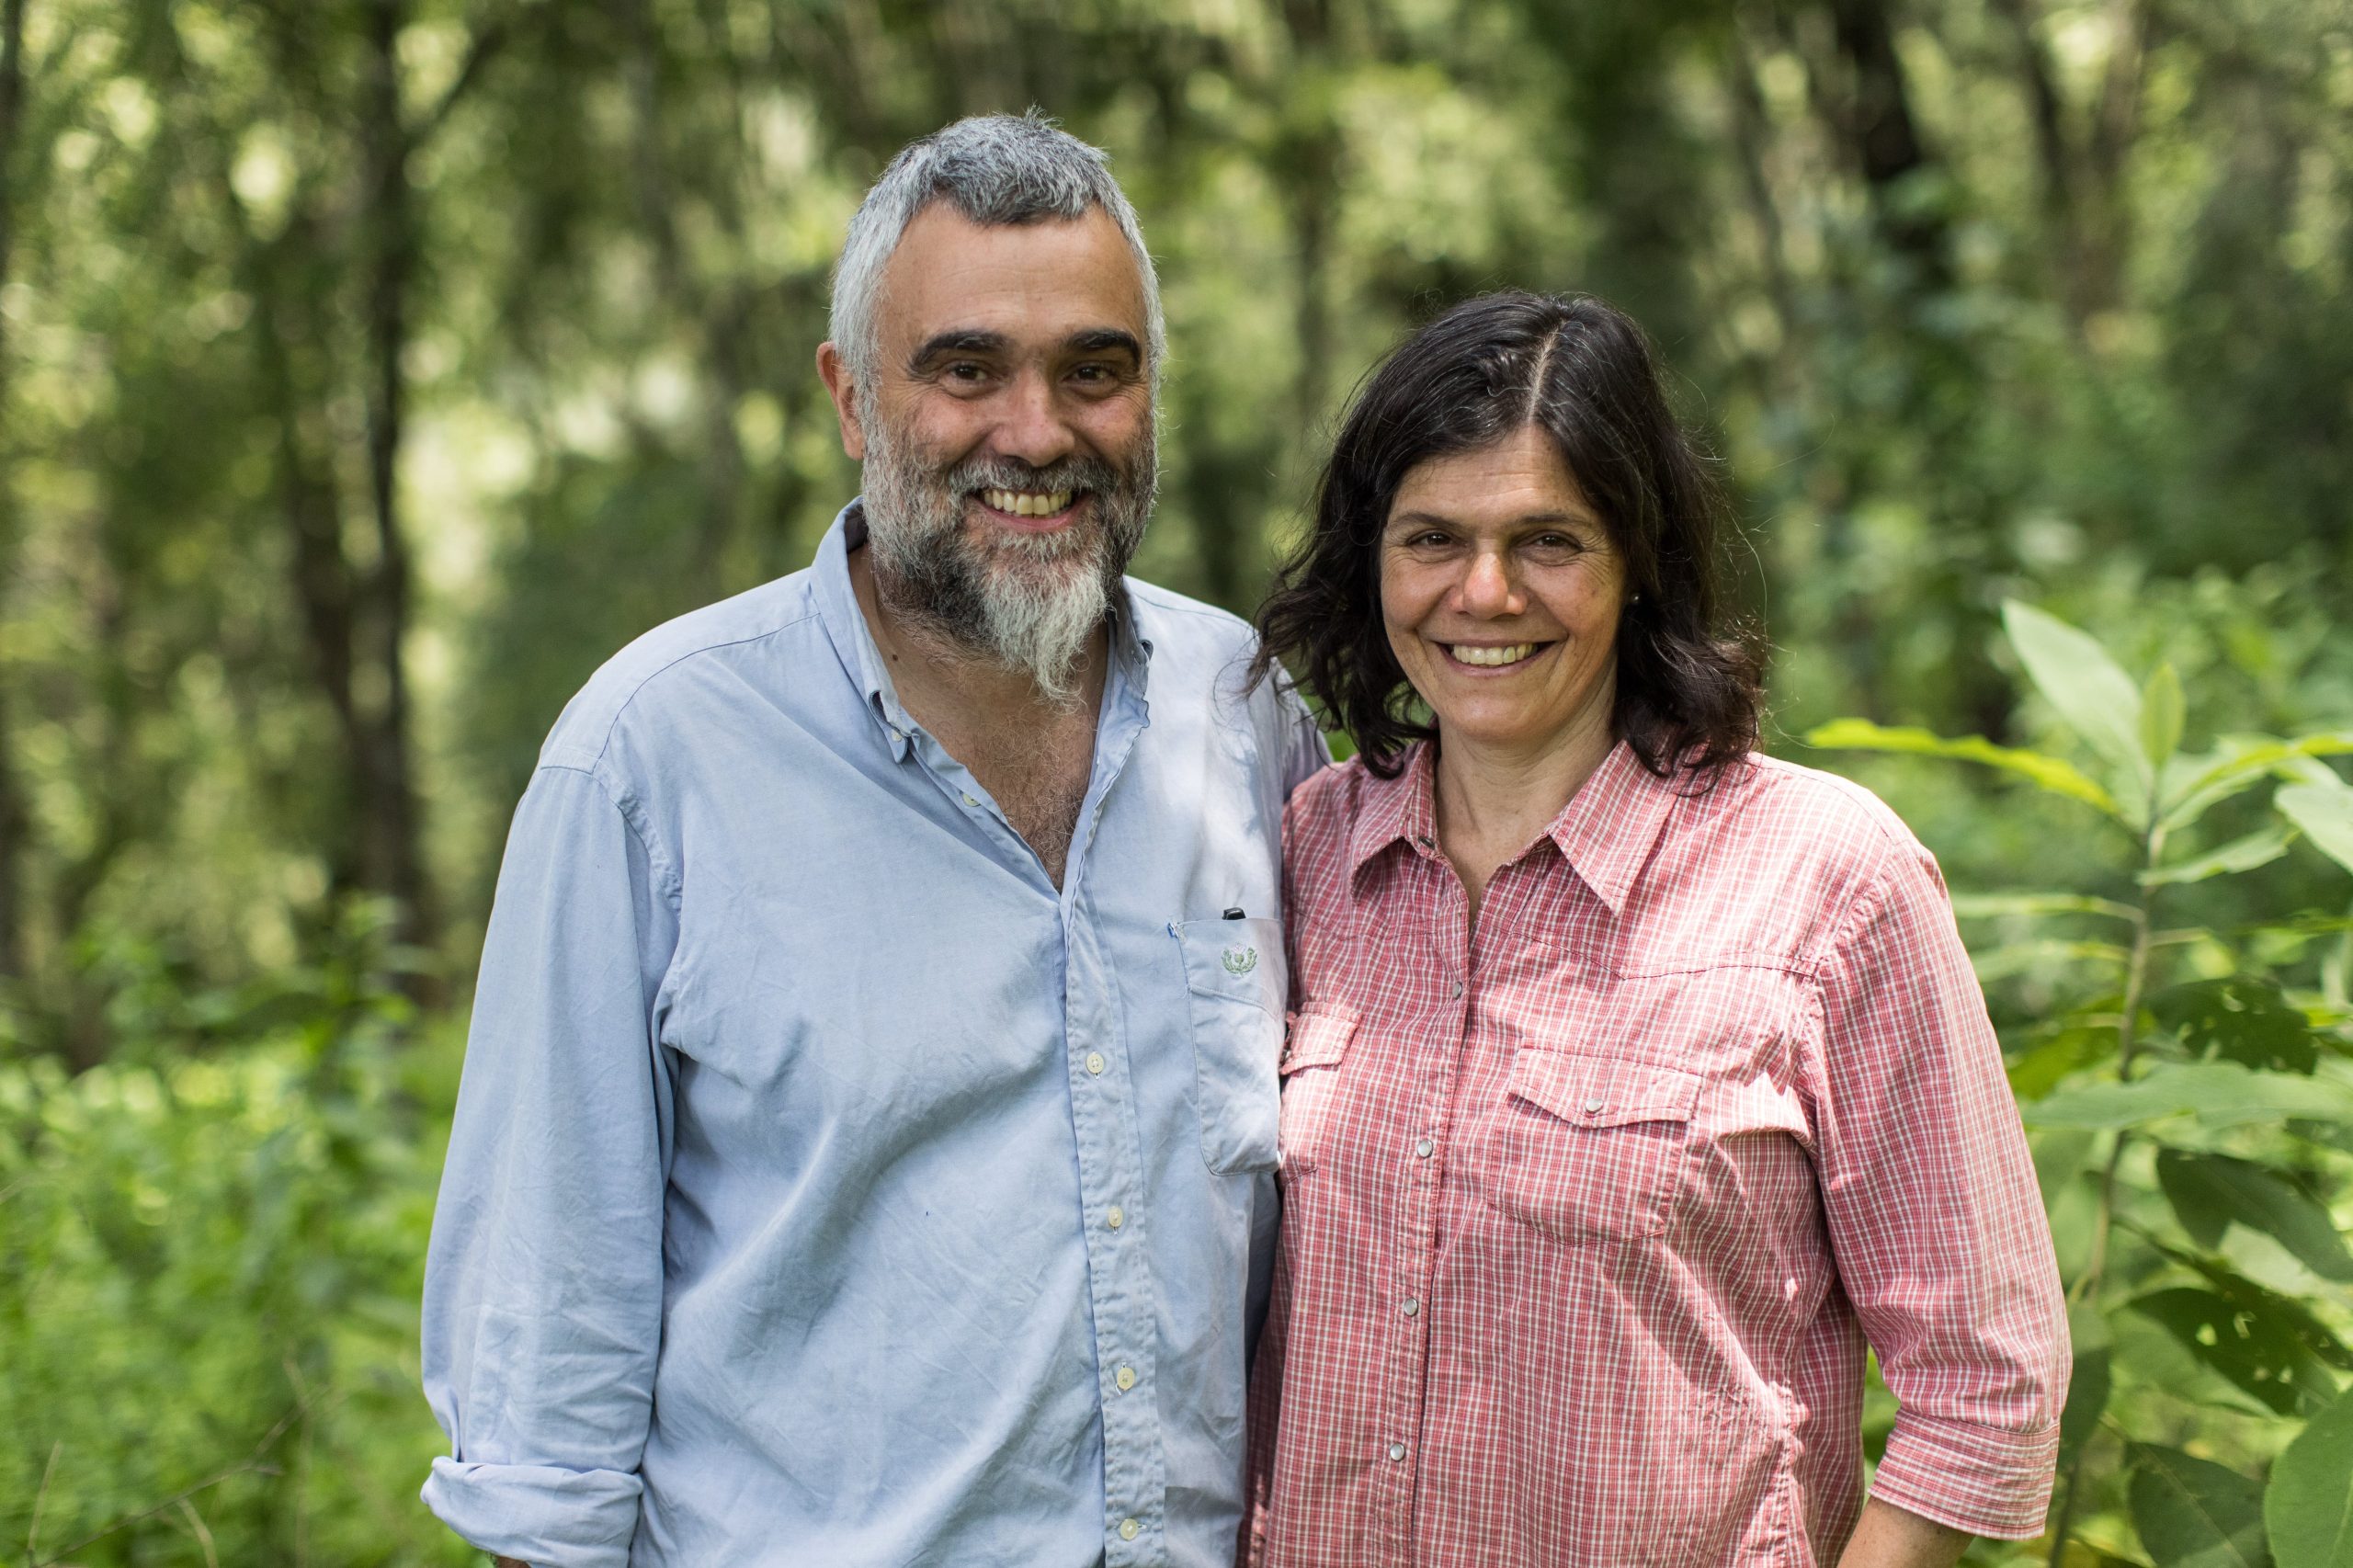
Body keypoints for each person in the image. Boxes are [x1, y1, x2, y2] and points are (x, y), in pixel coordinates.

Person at [420, 113, 1324, 1568]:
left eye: (1096, 369)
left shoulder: (1247, 718)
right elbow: (545, 1412)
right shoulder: (651, 761)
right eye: (966, 368)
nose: (1036, 432)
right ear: (851, 399)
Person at [1240, 291, 2068, 1567]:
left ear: (1638, 562)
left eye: (1549, 540)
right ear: (1373, 560)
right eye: (1432, 538)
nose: (1485, 590)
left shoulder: (1827, 881)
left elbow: (1988, 1378)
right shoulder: (1299, 856)